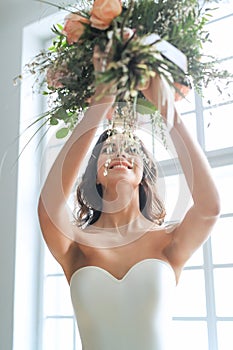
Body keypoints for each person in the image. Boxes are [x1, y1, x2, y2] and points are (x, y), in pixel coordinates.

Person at [38, 51, 220, 350]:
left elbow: (210, 208)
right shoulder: (75, 244)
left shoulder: (169, 241)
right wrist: (100, 103)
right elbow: (49, 206)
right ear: (95, 174)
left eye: (130, 150)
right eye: (108, 150)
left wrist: (166, 108)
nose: (120, 153)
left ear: (144, 174)